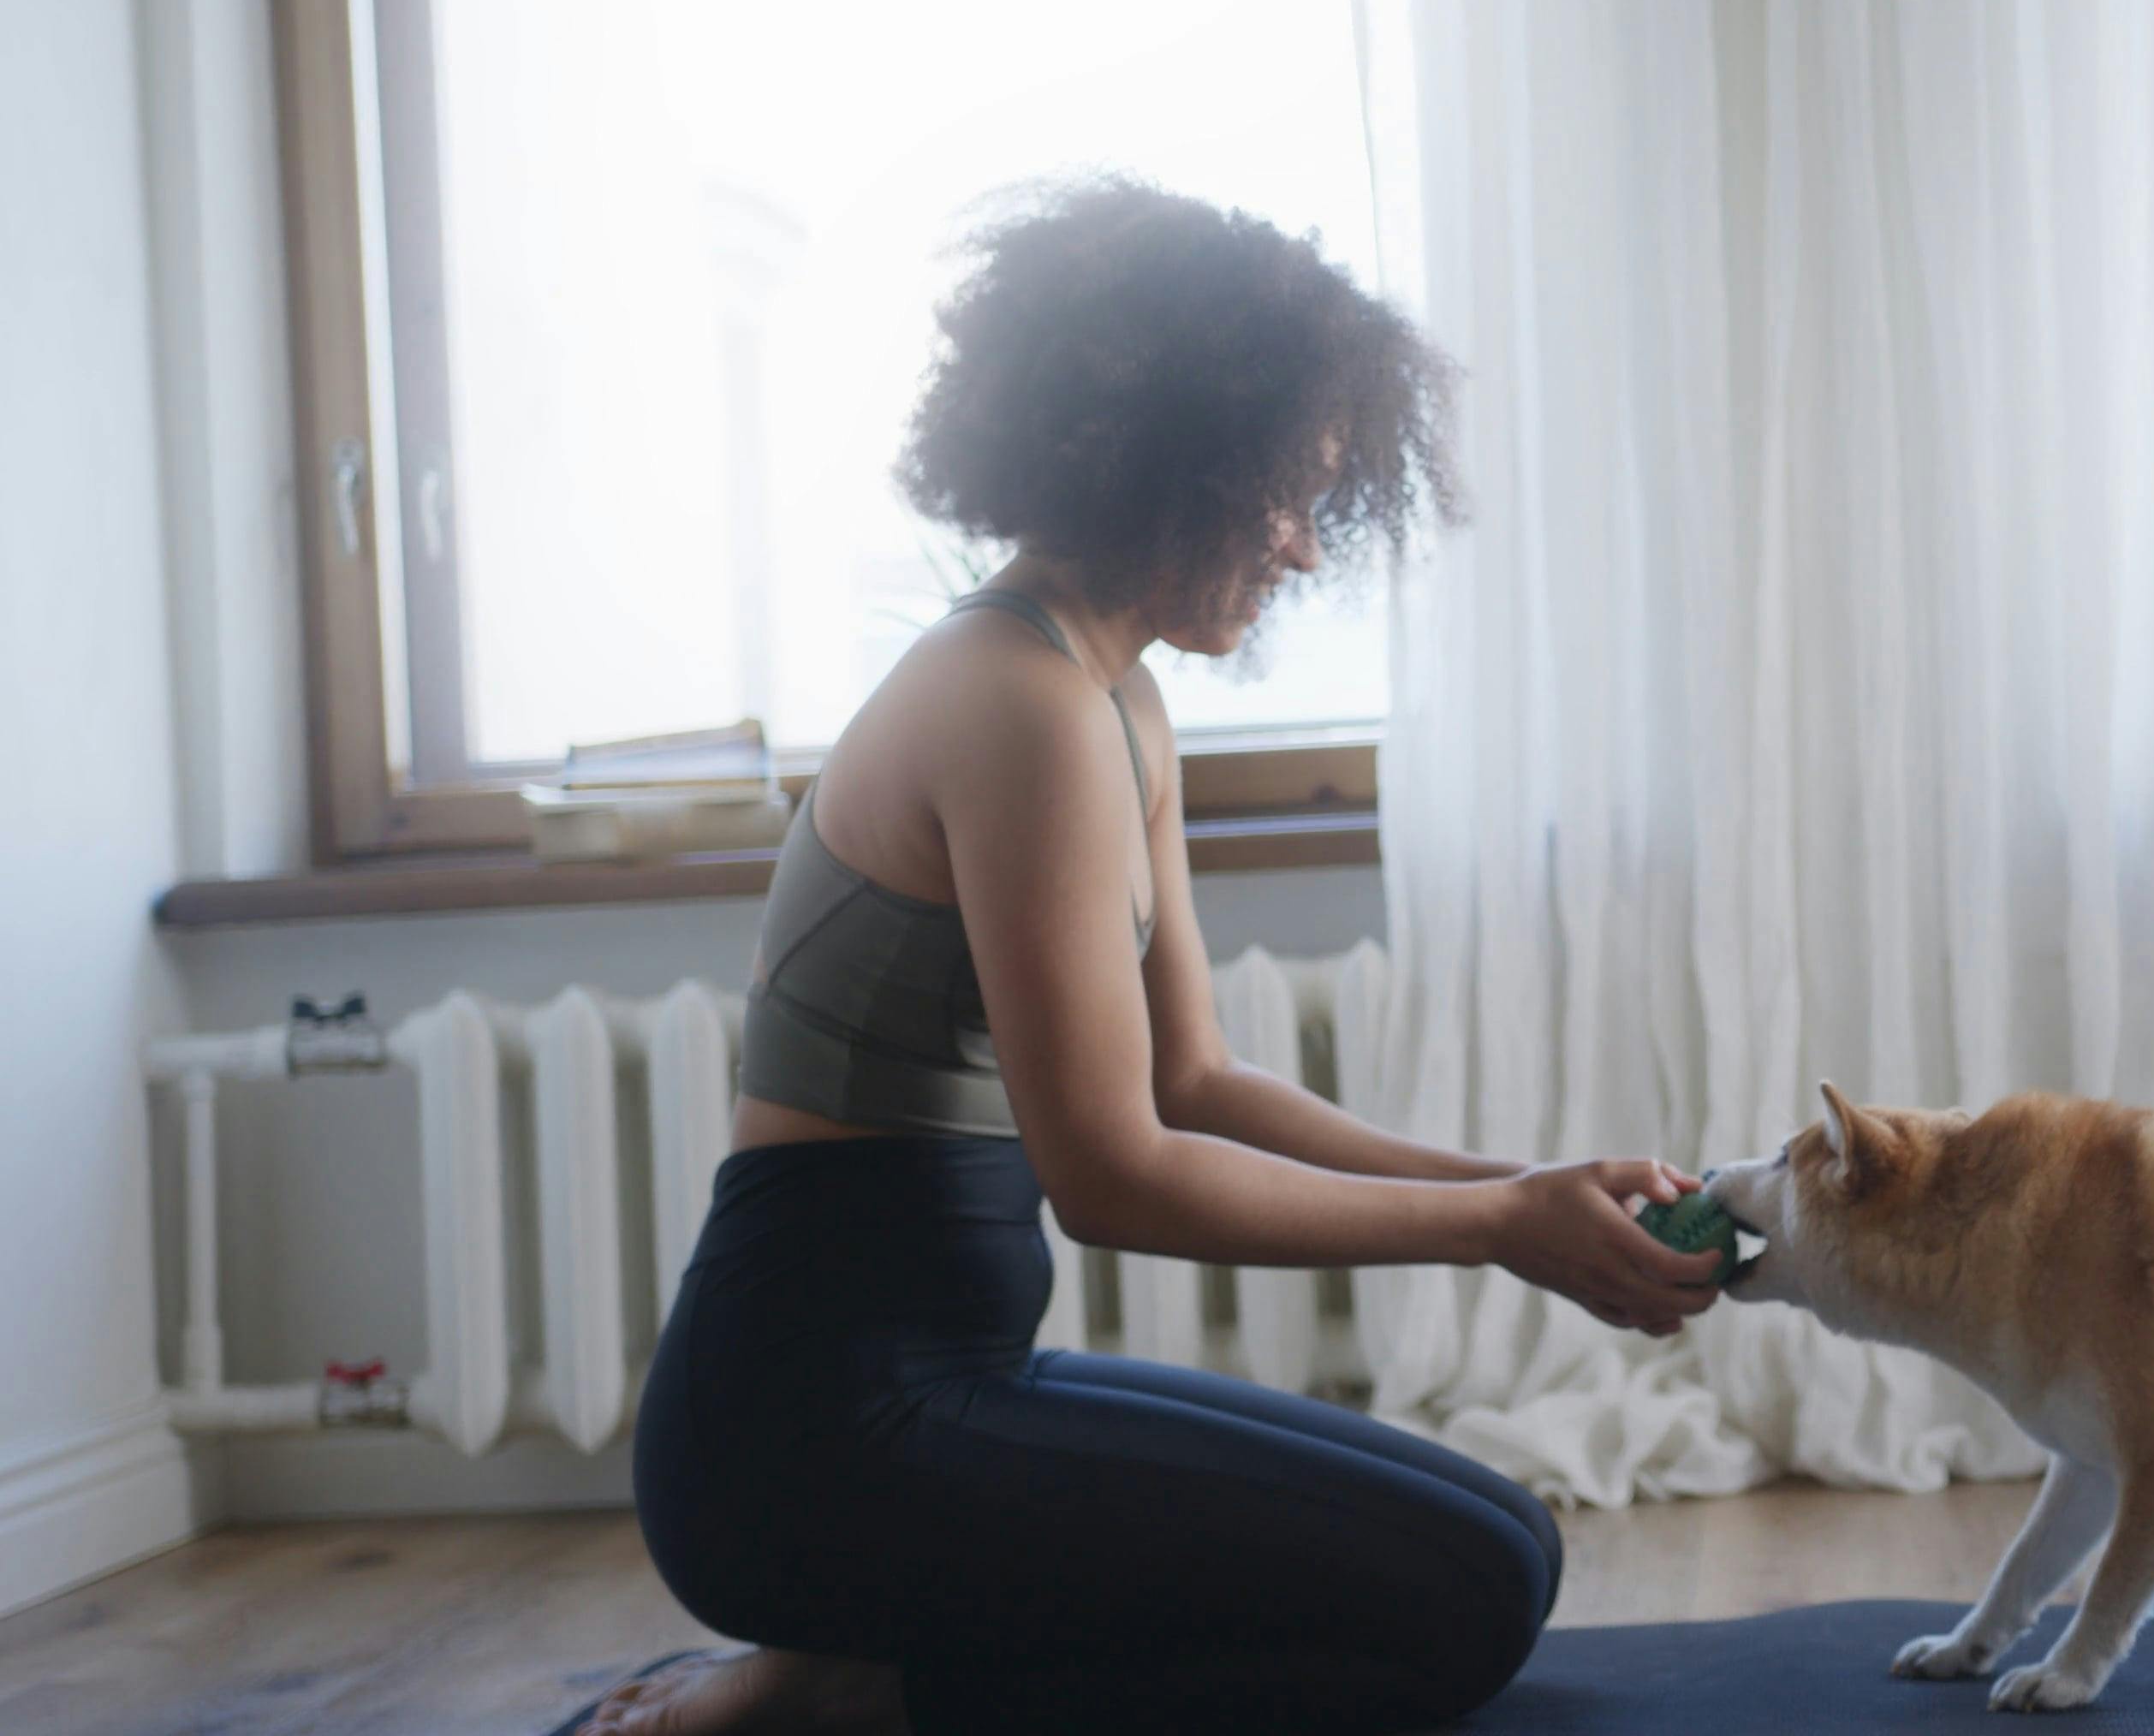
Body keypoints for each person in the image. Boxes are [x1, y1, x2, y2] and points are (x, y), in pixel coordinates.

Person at [583, 179, 1723, 1736]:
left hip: (951, 1381)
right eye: (1284, 495)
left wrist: (1532, 1189)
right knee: (1456, 1600)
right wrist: (1491, 1229)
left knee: (1509, 1549)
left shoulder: (1116, 699)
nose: (1308, 548)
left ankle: (876, 1671)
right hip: (812, 1436)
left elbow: (1193, 1080)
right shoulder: (1017, 702)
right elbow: (1112, 1176)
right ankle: (858, 1692)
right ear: (1168, 465)